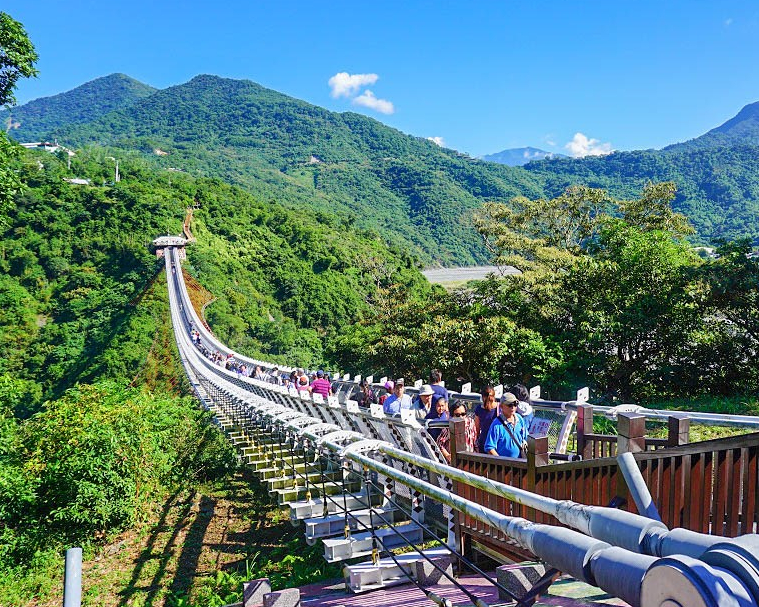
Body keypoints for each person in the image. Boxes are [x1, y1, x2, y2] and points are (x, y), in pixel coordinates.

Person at [483, 393, 529, 458]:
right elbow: (489, 448)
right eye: (510, 405)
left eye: (515, 404)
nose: (513, 407)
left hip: (521, 463)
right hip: (504, 466)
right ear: (501, 406)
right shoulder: (496, 425)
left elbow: (526, 437)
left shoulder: (519, 419)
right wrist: (501, 463)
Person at [474, 386, 499, 453]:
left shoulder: (479, 408)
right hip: (497, 441)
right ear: (494, 396)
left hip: (484, 440)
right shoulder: (500, 408)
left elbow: (477, 427)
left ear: (482, 397)